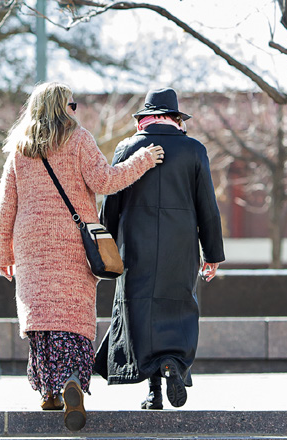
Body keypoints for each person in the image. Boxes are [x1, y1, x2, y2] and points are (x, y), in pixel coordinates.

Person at [0, 82, 164, 431]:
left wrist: (2, 251)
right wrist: (144, 160)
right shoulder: (79, 139)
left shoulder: (20, 148)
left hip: (31, 245)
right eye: (73, 104)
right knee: (73, 312)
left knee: (41, 315)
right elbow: (106, 181)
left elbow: (5, 205)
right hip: (74, 241)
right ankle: (72, 378)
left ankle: (49, 392)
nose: (76, 110)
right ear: (63, 107)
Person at [93, 87, 225, 410]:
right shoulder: (194, 151)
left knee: (141, 315)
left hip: (135, 251)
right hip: (180, 253)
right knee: (178, 311)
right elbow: (208, 207)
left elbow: (112, 201)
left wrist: (103, 248)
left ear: (145, 118)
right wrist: (212, 254)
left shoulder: (127, 147)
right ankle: (173, 365)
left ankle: (153, 391)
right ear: (176, 118)